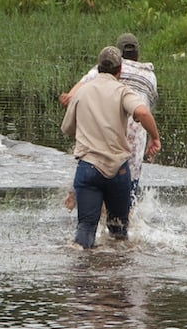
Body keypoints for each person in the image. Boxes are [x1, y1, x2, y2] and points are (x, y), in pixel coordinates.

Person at [61, 46, 161, 249]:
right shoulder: (123, 91)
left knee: (86, 229)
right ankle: (117, 275)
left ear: (98, 68)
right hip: (118, 171)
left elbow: (67, 128)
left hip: (88, 168)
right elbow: (142, 112)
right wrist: (155, 138)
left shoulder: (82, 93)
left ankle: (81, 274)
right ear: (120, 71)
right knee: (118, 233)